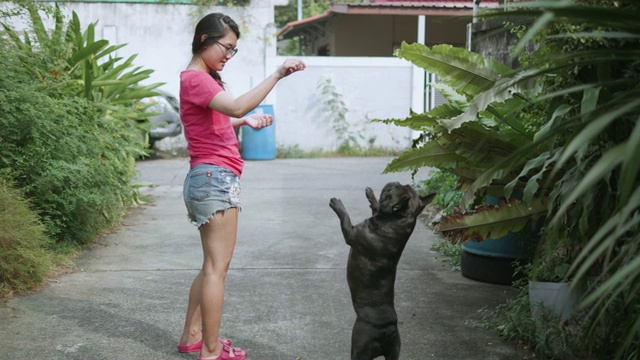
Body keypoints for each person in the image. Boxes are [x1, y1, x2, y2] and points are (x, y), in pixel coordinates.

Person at [176, 12, 306, 360]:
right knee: (218, 269)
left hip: (210, 177)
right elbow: (235, 103)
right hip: (214, 178)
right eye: (227, 48)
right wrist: (277, 74)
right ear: (205, 39)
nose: (228, 56)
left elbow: (216, 120)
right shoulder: (197, 78)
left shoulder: (200, 79)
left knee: (210, 266)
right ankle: (210, 350)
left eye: (233, 51)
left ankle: (192, 336)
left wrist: (242, 121)